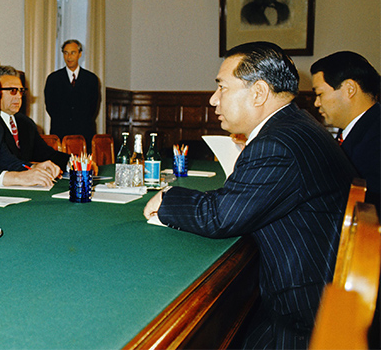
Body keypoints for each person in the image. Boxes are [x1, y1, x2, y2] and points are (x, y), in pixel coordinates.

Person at [143, 41, 356, 349]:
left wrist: (168, 198)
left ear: (257, 93)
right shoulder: (296, 125)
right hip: (324, 293)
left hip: (303, 317)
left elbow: (220, 216)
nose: (214, 100)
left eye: (222, 88)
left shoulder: (278, 144)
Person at [311, 51, 380, 210]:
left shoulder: (376, 139)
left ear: (349, 89)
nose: (316, 103)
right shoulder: (356, 131)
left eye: (320, 94)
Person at [0, 66, 70, 170]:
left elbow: (45, 154)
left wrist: (72, 162)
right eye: (13, 90)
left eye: (21, 91)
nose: (19, 96)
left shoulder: (26, 123)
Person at [44, 39, 100, 147]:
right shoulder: (53, 79)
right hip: (60, 132)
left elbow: (93, 107)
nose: (69, 57)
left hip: (84, 133)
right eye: (66, 53)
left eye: (73, 53)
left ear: (80, 54)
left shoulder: (91, 79)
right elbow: (50, 106)